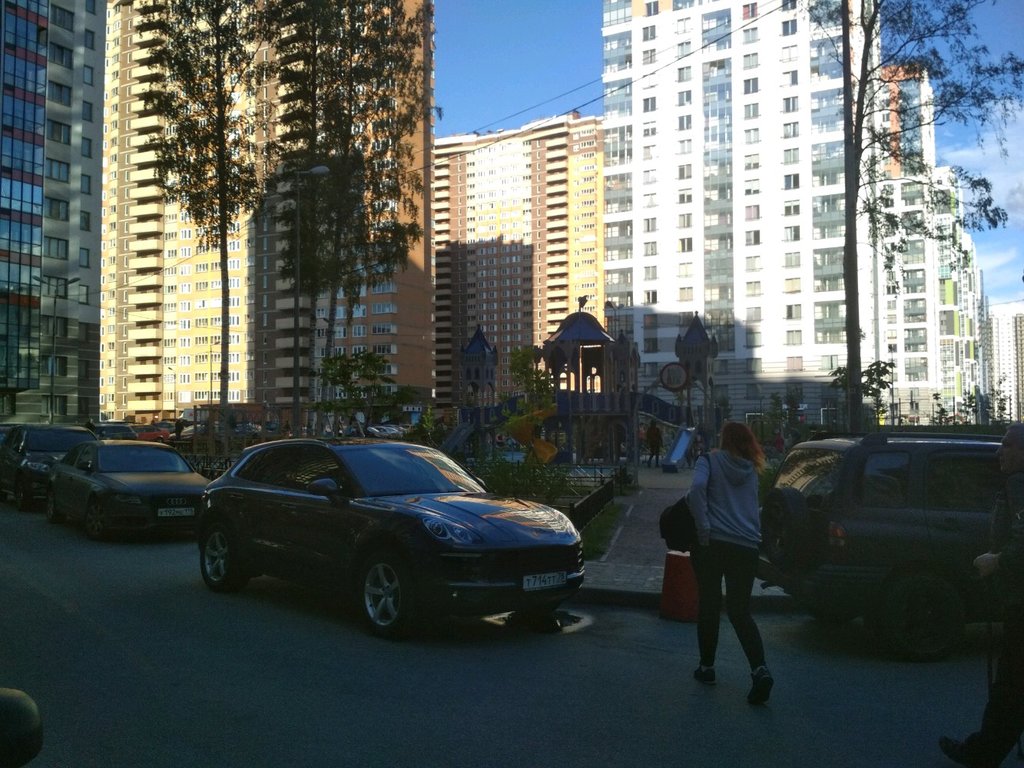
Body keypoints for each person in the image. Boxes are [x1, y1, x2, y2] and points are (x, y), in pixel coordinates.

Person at [940, 423, 1024, 768]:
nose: (999, 452)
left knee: (1010, 686)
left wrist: (997, 560)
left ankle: (983, 753)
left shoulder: (1020, 485)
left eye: (1007, 445)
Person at [687, 421, 773, 705]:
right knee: (740, 611)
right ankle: (760, 670)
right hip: (746, 547)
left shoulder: (708, 461)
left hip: (713, 544)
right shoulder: (751, 470)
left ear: (724, 439)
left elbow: (696, 489)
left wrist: (703, 528)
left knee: (709, 605)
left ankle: (707, 667)